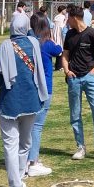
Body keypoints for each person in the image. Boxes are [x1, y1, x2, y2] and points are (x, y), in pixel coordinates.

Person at [0, 12, 48, 187]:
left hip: (9, 103)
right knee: (25, 143)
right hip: (32, 101)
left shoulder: (2, 48)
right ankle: (19, 179)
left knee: (11, 146)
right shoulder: (34, 45)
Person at [62, 5, 94, 161]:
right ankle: (80, 147)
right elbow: (65, 55)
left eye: (68, 18)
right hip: (74, 79)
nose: (67, 21)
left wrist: (93, 72)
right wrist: (67, 71)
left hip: (90, 78)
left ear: (74, 18)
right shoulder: (69, 34)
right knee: (75, 114)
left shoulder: (92, 34)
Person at [26, 14, 63, 176]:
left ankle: (26, 159)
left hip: (29, 88)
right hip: (44, 88)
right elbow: (59, 50)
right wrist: (53, 39)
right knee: (37, 126)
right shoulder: (46, 44)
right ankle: (33, 161)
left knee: (27, 125)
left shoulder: (27, 42)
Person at [52, 5, 67, 71]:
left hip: (55, 33)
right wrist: (66, 21)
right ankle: (59, 66)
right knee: (61, 49)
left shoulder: (56, 16)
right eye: (65, 10)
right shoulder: (62, 17)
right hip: (60, 34)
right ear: (62, 10)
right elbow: (62, 26)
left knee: (58, 48)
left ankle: (58, 65)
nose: (65, 11)